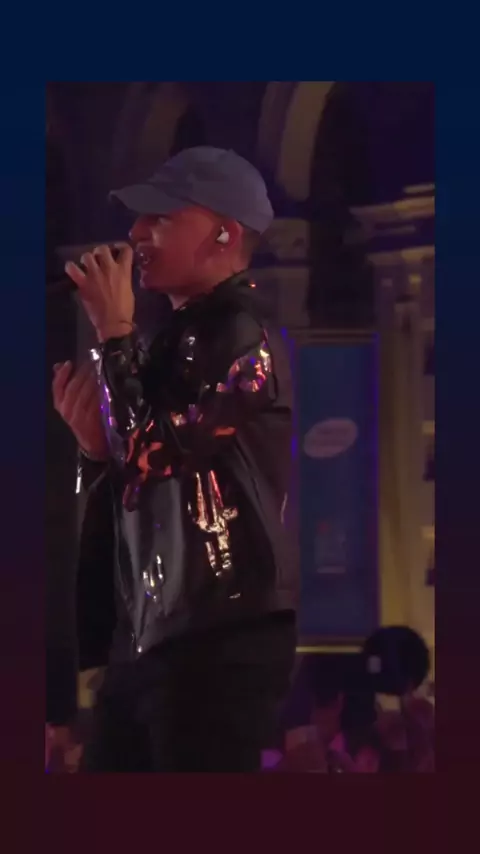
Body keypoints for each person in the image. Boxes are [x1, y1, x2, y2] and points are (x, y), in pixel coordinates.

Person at [52, 147, 297, 772]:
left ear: (224, 233)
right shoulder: (174, 341)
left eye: (160, 217)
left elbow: (155, 453)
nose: (137, 234)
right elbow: (135, 474)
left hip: (217, 635)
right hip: (150, 636)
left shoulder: (240, 333)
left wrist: (114, 333)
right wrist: (95, 452)